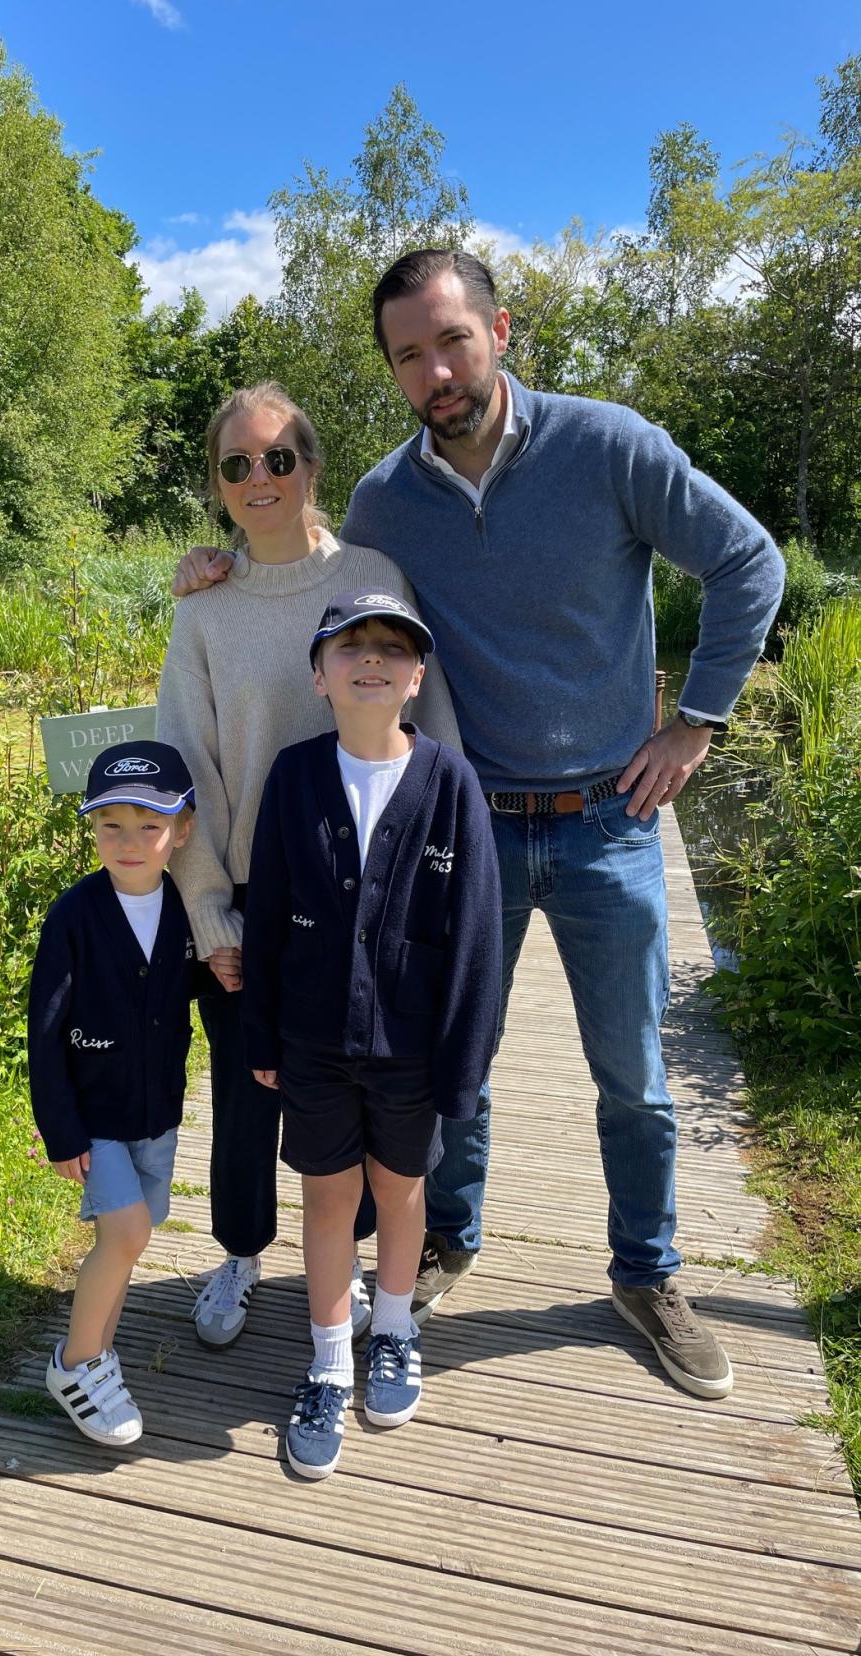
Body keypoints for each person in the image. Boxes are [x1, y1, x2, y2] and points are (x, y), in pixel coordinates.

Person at [173, 250, 785, 1401]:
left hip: (612, 816)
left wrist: (694, 726)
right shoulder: (387, 504)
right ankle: (446, 1238)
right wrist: (209, 567)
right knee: (453, 1059)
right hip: (468, 828)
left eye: (452, 340)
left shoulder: (609, 447)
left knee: (635, 1076)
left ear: (500, 329)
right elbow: (320, 590)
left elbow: (751, 560)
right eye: (410, 354)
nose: (436, 369)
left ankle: (646, 1274)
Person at [156, 382, 463, 1352]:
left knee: (366, 1091)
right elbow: (185, 764)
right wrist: (208, 912)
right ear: (216, 481)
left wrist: (436, 888)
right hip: (252, 898)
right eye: (237, 463)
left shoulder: (373, 574)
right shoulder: (204, 609)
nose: (260, 478)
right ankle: (242, 1254)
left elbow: (431, 726)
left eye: (279, 458)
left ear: (314, 469)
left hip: (372, 898)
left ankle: (362, 1262)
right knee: (247, 1095)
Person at [242, 589, 501, 1478]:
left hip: (413, 1047)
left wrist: (463, 1064)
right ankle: (327, 1360)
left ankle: (391, 1329)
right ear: (319, 675)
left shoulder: (451, 784)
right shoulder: (294, 775)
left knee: (399, 1190)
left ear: (417, 677)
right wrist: (263, 1039)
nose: (373, 660)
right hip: (313, 1040)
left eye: (394, 647)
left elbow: (475, 933)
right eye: (351, 647)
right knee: (326, 1200)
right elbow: (268, 912)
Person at [27, 739, 201, 1446]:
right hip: (94, 1112)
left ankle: (101, 1349)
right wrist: (61, 1130)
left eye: (149, 826)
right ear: (91, 829)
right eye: (111, 827)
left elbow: (182, 989)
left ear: (181, 831)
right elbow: (43, 1030)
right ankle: (74, 1364)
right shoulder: (75, 915)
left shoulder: (187, 908)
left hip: (156, 1109)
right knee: (125, 1233)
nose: (129, 843)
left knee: (128, 1242)